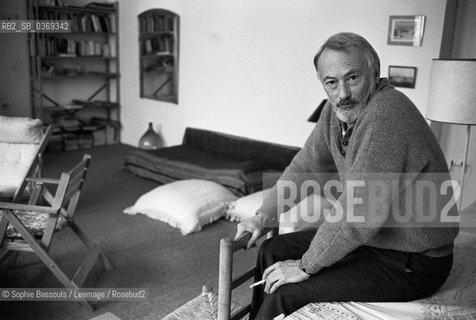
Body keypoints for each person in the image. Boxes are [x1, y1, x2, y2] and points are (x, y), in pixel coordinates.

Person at [234, 32, 459, 320]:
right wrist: (264, 215)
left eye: (352, 78)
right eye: (332, 82)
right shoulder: (334, 112)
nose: (342, 93)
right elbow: (306, 167)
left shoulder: (387, 114)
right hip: (379, 243)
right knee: (271, 250)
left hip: (414, 261)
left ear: (374, 74)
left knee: (287, 292)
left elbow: (358, 212)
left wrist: (304, 267)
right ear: (323, 83)